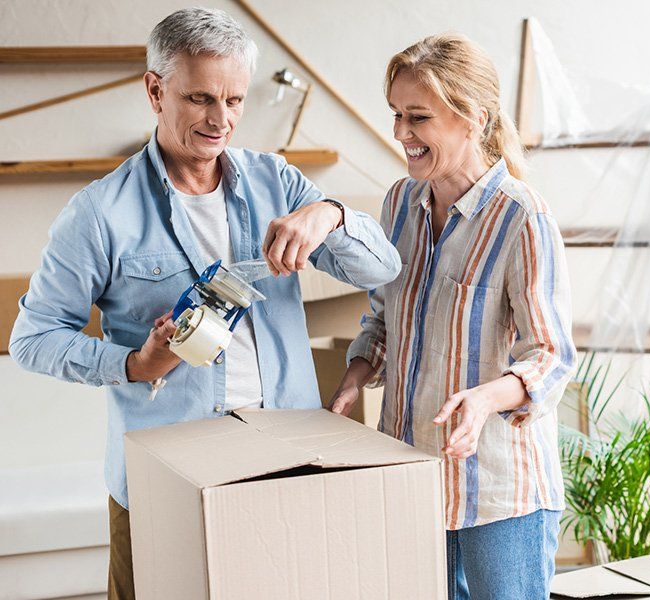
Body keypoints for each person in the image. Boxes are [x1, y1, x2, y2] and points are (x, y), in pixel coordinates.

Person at [9, 7, 400, 599]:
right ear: (154, 90)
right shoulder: (99, 213)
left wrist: (330, 214)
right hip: (165, 481)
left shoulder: (279, 183)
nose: (222, 120)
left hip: (284, 466)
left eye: (236, 101)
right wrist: (134, 365)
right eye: (200, 99)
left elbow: (382, 268)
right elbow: (31, 340)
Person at [330, 33, 576, 600]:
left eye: (418, 117)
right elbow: (385, 316)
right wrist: (358, 373)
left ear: (472, 118)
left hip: (498, 493)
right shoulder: (399, 203)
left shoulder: (522, 217)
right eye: (396, 115)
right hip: (409, 474)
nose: (400, 134)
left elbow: (552, 357)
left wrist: (486, 397)